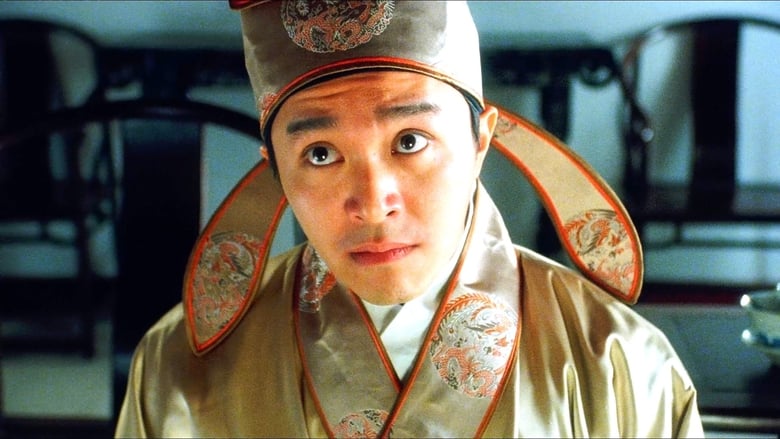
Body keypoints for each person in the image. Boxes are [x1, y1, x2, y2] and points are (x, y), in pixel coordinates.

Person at [115, 1, 704, 437]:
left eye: (410, 141)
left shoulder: (620, 364)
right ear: (276, 170)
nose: (373, 202)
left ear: (480, 141)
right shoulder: (180, 372)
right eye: (320, 154)